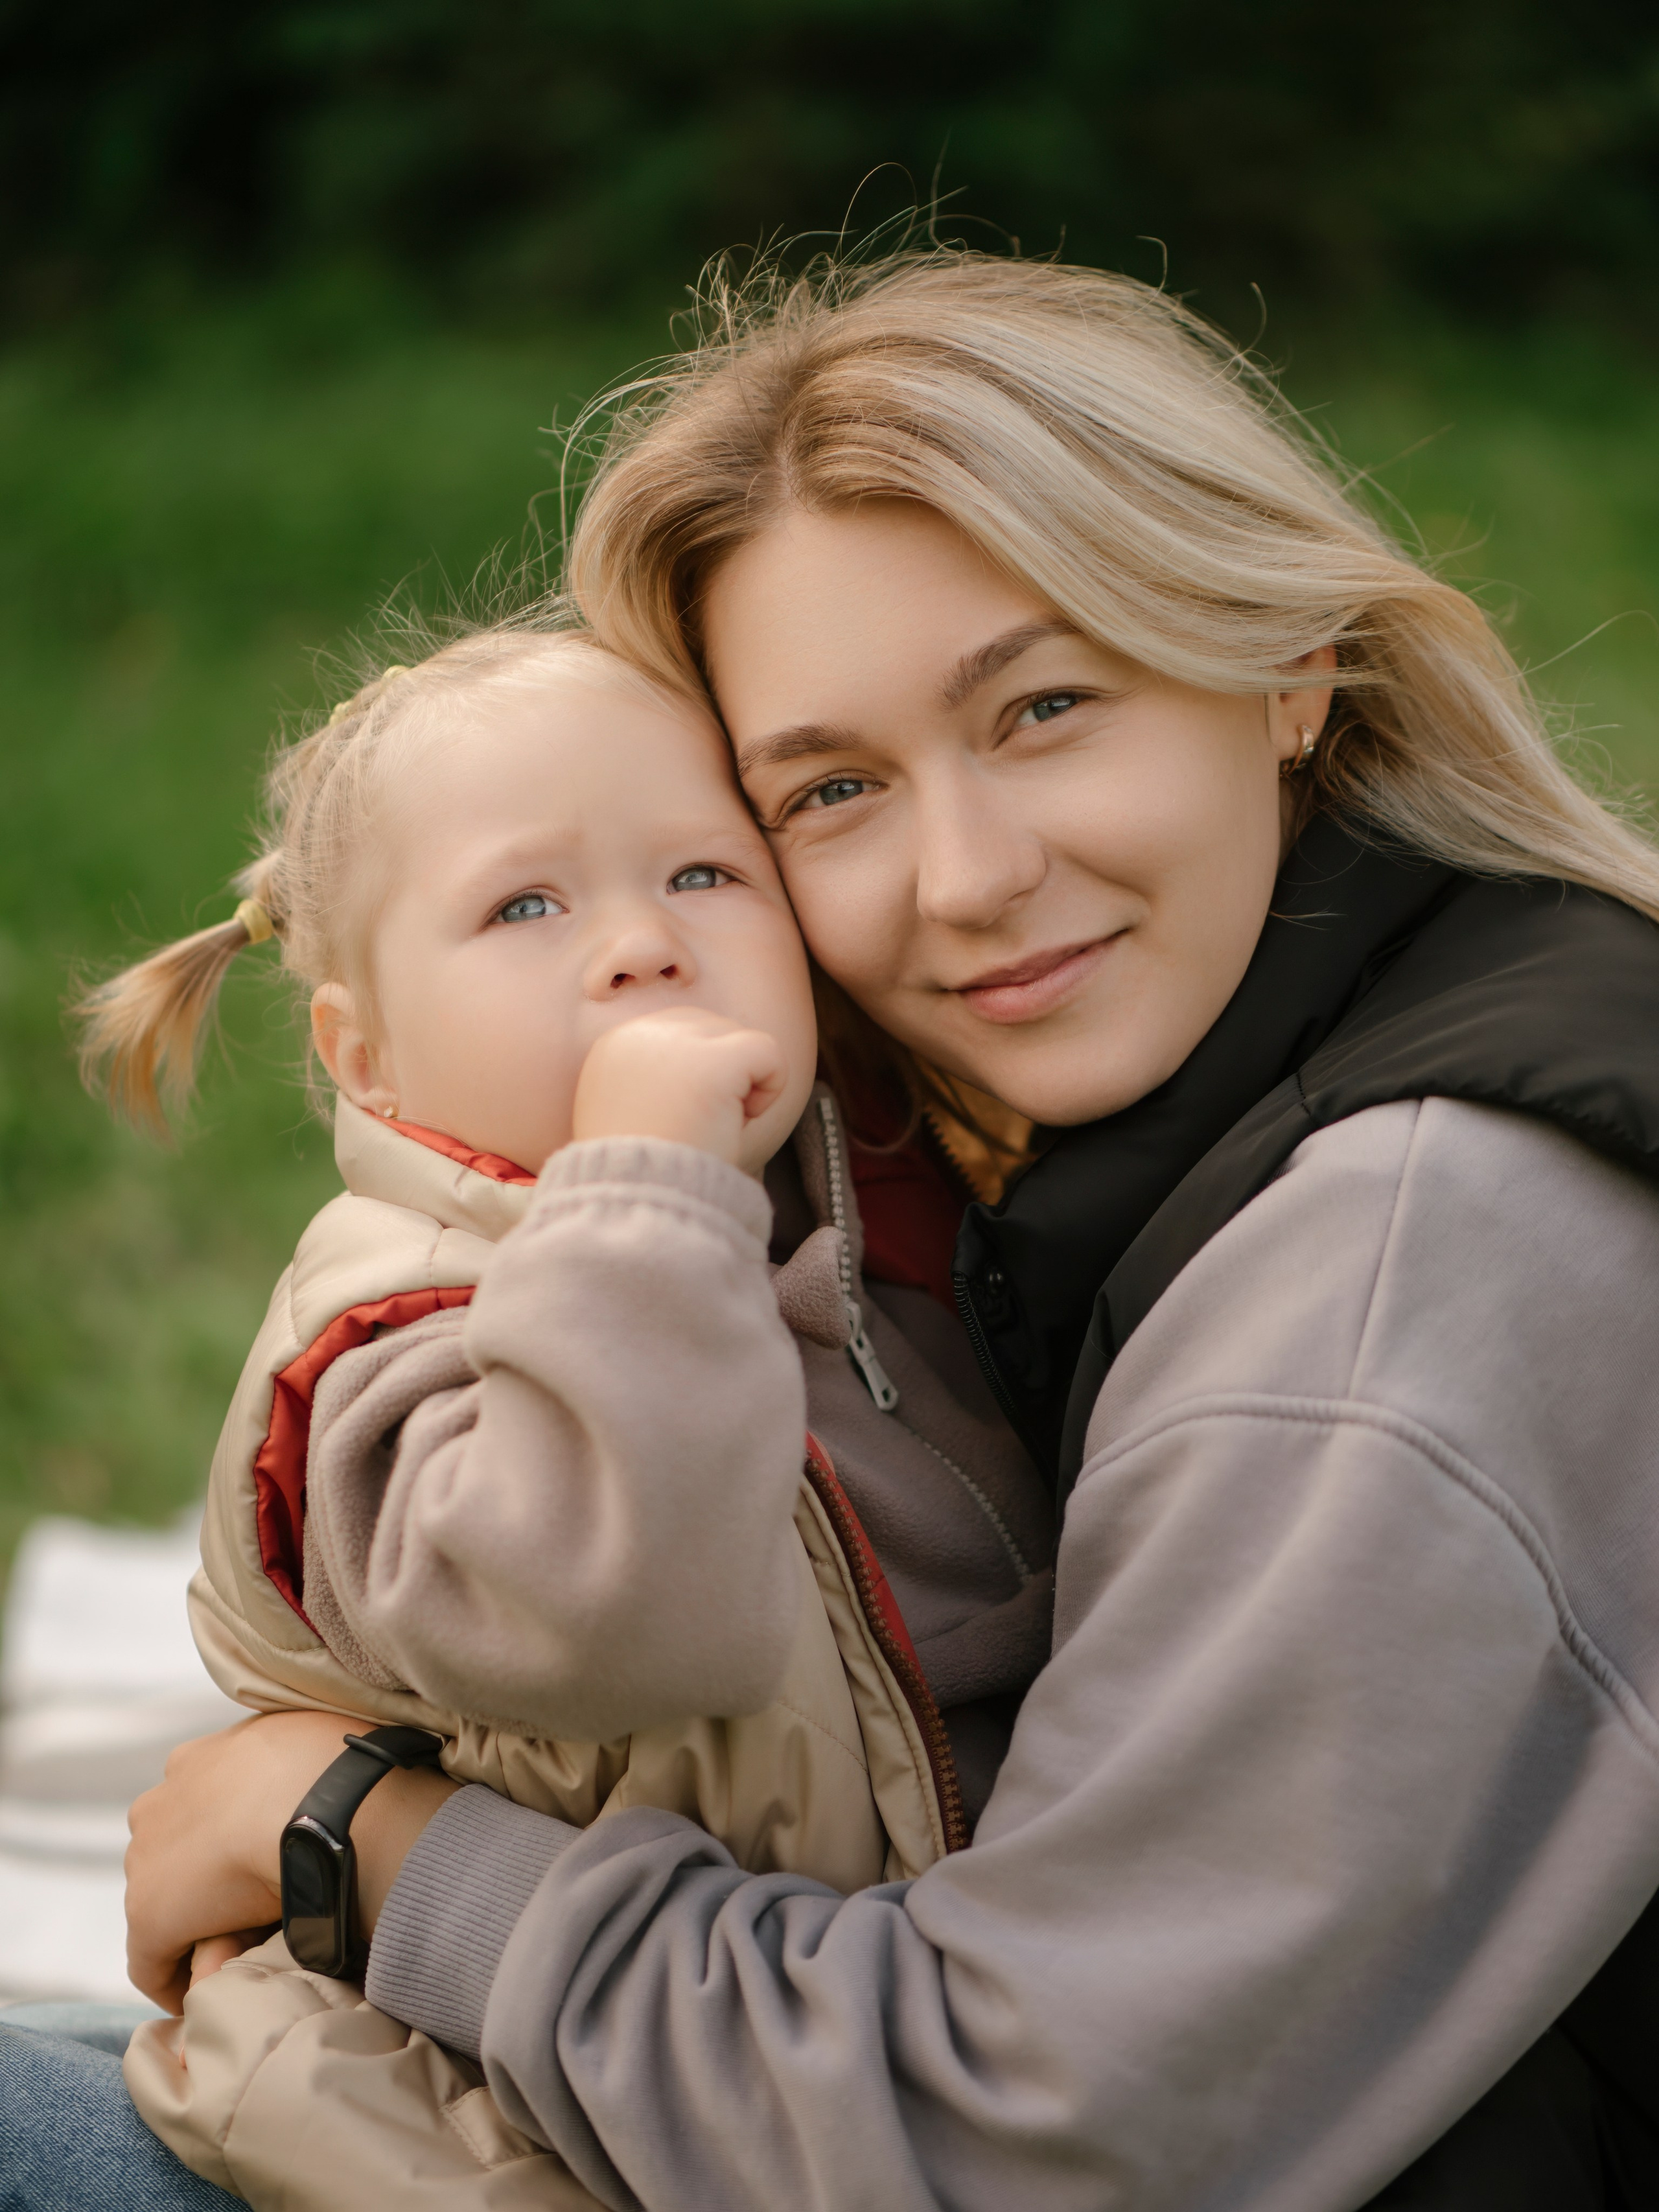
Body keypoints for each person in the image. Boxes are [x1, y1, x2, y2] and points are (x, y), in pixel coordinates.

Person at [43, 246, 1659, 2209]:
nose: (965, 877)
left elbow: (1016, 2139)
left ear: (1288, 668)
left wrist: (357, 1841)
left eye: (1045, 705)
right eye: (828, 789)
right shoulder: (1204, 1096)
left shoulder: (1384, 1288)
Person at [45, 620, 1054, 2206]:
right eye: (525, 905)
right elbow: (617, 1619)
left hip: (854, 2071)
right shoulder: (391, 1354)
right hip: (485, 2132)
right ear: (365, 1055)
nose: (642, 944)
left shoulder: (839, 1229)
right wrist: (643, 1186)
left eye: (704, 875)